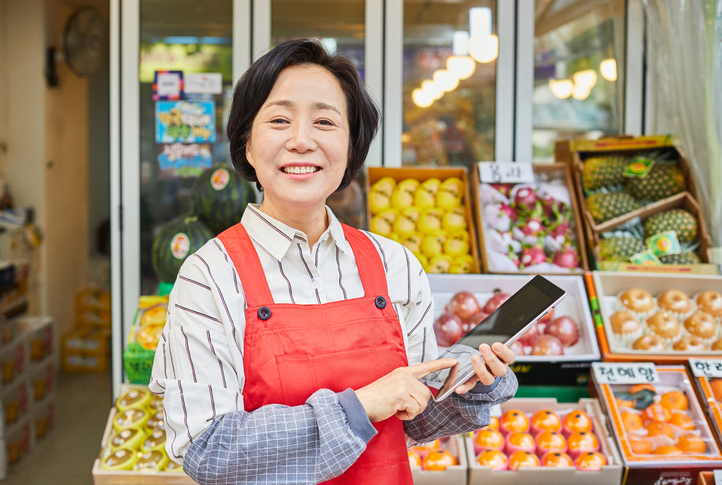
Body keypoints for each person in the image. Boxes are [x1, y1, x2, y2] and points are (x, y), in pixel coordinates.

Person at [149, 38, 518, 485]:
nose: (301, 141)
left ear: (350, 148)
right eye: (280, 120)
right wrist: (358, 408)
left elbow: (415, 420)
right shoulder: (209, 275)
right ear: (247, 144)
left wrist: (471, 387)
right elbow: (209, 452)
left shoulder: (396, 265)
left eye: (325, 121)